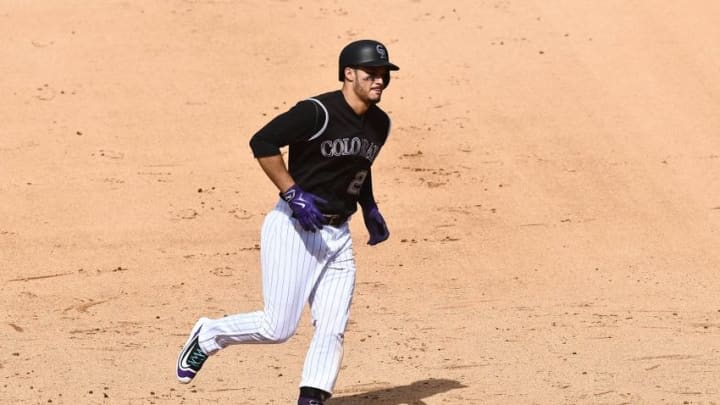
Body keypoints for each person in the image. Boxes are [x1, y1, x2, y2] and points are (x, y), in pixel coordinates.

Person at [176, 39, 400, 405]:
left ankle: (311, 398)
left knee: (332, 327)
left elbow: (358, 164)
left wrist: (369, 207)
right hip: (294, 230)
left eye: (383, 75)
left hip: (338, 236)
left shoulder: (380, 123)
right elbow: (262, 141)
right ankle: (209, 334)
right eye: (371, 74)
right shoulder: (317, 112)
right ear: (348, 74)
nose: (379, 81)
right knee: (277, 328)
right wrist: (292, 193)